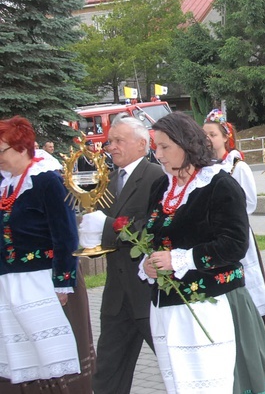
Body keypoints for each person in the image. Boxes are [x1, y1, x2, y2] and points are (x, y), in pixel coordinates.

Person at [142, 112, 265, 394]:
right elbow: (155, 238)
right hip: (168, 310)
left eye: (165, 146)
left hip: (212, 306)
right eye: (156, 146)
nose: (158, 154)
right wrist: (148, 264)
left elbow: (235, 245)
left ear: (187, 144)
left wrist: (179, 259)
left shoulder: (219, 184)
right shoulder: (160, 187)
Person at [0, 116, 95, 393]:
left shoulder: (46, 181)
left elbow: (65, 234)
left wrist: (63, 281)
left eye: (1, 150)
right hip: (9, 284)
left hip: (44, 283)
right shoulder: (4, 184)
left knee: (52, 358)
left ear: (21, 148)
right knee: (21, 356)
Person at [78, 115, 164, 394]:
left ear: (142, 144)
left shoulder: (157, 177)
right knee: (107, 375)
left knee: (173, 365)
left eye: (118, 141)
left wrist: (103, 228)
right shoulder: (106, 180)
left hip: (149, 294)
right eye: (109, 141)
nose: (111, 147)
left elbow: (152, 228)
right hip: (116, 297)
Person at [203, 109, 265, 330]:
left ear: (226, 137)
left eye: (213, 135)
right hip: (210, 236)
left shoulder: (237, 166)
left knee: (247, 278)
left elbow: (250, 204)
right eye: (204, 135)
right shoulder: (202, 168)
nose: (208, 139)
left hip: (236, 233)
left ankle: (255, 324)